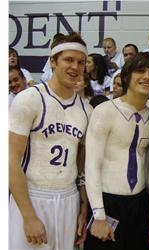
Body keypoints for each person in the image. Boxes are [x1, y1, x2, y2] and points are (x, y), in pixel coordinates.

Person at [9, 32, 92, 249]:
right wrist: (28, 216)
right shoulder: (29, 99)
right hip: (32, 197)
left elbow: (82, 165)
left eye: (80, 62)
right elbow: (10, 160)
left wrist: (83, 208)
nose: (75, 67)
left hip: (69, 198)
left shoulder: (87, 109)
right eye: (68, 60)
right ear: (52, 61)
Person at [84, 52, 149, 250]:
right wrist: (99, 215)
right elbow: (91, 164)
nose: (147, 76)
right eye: (140, 71)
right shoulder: (105, 111)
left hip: (140, 204)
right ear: (126, 76)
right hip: (108, 203)